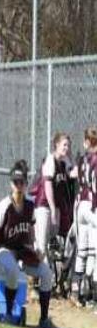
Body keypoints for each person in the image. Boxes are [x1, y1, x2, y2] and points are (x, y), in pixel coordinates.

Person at [0, 160, 53, 328]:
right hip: (2, 250)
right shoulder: (4, 205)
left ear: (25, 184)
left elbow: (30, 230)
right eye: (15, 182)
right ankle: (9, 314)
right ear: (11, 183)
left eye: (21, 182)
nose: (18, 185)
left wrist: (36, 248)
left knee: (46, 273)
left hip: (21, 251)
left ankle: (44, 319)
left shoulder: (30, 203)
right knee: (14, 272)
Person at [34, 132, 75, 262]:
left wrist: (80, 163)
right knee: (42, 242)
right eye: (64, 145)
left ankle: (48, 275)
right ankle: (36, 275)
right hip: (44, 206)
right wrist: (52, 208)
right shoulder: (50, 160)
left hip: (54, 207)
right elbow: (48, 186)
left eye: (68, 145)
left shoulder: (64, 162)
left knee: (53, 244)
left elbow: (73, 173)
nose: (67, 148)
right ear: (56, 145)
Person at [74, 127, 97, 308]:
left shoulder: (82, 158)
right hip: (91, 205)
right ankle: (92, 295)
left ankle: (78, 290)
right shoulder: (95, 160)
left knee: (83, 249)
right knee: (94, 252)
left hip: (80, 204)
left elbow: (73, 173)